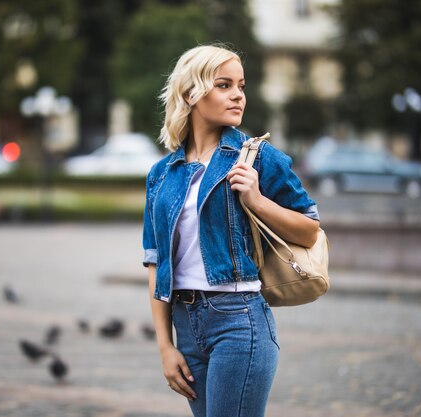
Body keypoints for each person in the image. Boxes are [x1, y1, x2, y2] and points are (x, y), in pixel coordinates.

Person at [142, 44, 320, 417]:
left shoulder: (258, 157)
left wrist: (257, 200)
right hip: (185, 324)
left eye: (241, 85)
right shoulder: (162, 173)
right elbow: (155, 262)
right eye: (224, 85)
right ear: (191, 93)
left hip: (238, 323)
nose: (238, 94)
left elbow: (310, 231)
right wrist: (165, 345)